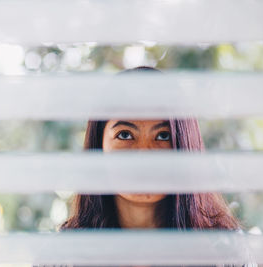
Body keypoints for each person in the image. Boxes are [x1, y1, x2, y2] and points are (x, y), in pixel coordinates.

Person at [60, 67, 239, 230]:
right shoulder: (65, 255)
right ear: (99, 146)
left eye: (163, 136)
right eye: (124, 135)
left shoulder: (224, 250)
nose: (144, 154)